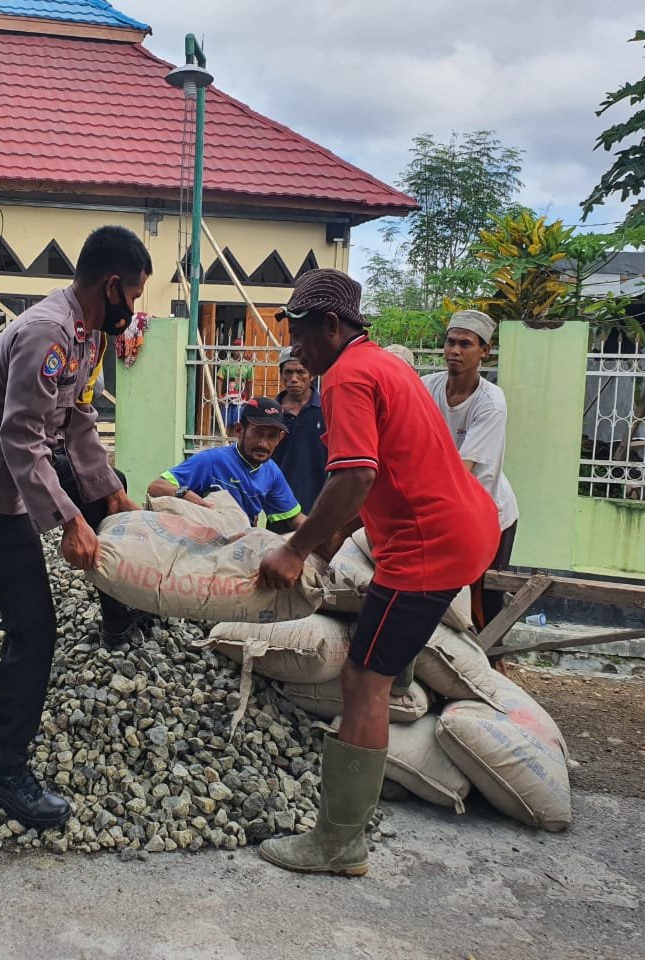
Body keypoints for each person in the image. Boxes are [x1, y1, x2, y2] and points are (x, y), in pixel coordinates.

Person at [256, 268, 498, 878]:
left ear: (332, 326)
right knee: (384, 653)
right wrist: (322, 543)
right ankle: (372, 767)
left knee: (365, 678)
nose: (296, 348)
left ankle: (339, 843)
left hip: (428, 547)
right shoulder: (389, 366)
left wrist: (293, 549)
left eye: (302, 332)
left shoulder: (346, 377)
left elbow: (354, 477)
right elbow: (377, 477)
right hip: (464, 528)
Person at [0, 225, 151, 829]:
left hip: (11, 487)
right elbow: (20, 437)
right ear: (111, 286)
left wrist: (109, 491)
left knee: (35, 618)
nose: (134, 310)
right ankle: (4, 772)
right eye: (134, 296)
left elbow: (80, 417)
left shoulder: (85, 336)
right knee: (34, 629)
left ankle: (125, 618)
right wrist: (67, 518)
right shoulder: (47, 333)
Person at [421, 309, 519, 630]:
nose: (454, 350)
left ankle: (494, 662)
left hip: (489, 512)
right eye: (450, 342)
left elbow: (462, 471)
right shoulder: (426, 388)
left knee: (485, 596)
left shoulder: (490, 402)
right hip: (442, 507)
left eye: (465, 344)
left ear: (484, 352)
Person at [146, 396, 303, 530]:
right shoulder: (211, 461)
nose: (263, 443)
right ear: (239, 430)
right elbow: (156, 487)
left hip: (239, 550)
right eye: (257, 433)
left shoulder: (271, 472)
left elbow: (295, 518)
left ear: (280, 438)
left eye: (271, 436)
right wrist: (188, 495)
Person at [270, 350, 327, 525]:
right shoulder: (271, 414)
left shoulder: (327, 409)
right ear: (281, 375)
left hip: (320, 504)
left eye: (301, 372)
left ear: (311, 375)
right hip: (280, 506)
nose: (294, 378)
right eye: (288, 372)